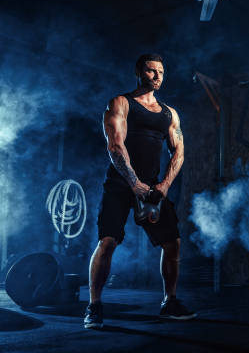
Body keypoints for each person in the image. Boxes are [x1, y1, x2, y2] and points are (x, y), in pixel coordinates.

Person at [84, 53, 196, 329]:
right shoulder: (121, 103)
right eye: (150, 71)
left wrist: (164, 185)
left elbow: (179, 152)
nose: (157, 76)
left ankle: (169, 302)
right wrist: (133, 182)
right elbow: (115, 145)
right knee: (107, 242)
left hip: (154, 188)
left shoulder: (170, 114)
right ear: (139, 72)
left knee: (173, 243)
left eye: (160, 71)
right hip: (121, 184)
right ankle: (94, 305)